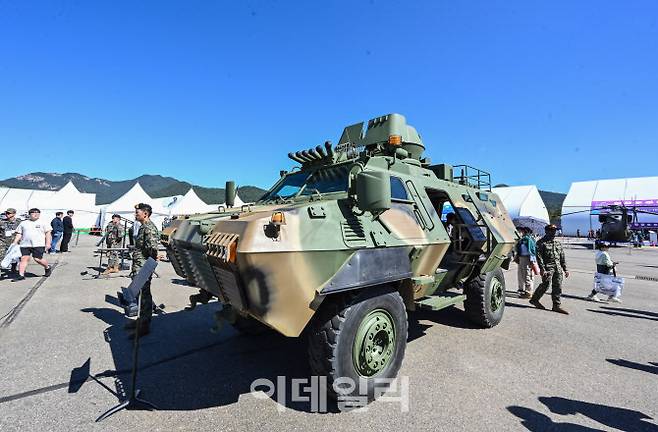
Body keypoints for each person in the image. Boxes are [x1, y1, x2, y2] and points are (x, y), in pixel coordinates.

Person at [125, 203, 160, 337]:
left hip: (143, 267)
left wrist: (147, 268)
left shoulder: (149, 228)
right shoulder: (143, 227)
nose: (135, 215)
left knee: (144, 295)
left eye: (137, 213)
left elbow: (152, 250)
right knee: (140, 294)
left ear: (145, 214)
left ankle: (144, 325)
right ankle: (141, 320)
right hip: (139, 265)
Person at [529, 224, 570, 314]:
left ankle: (556, 306)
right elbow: (539, 257)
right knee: (546, 284)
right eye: (552, 230)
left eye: (554, 231)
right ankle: (534, 300)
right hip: (548, 267)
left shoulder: (557, 243)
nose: (554, 232)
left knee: (558, 286)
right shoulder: (541, 243)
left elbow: (562, 257)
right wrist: (542, 269)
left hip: (558, 268)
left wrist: (565, 269)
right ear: (546, 231)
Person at [12, 208, 52, 280]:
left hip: (38, 244)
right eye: (33, 213)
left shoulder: (43, 222)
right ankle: (21, 275)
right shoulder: (23, 223)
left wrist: (48, 243)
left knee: (37, 259)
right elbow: (19, 233)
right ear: (29, 214)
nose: (36, 214)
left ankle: (47, 267)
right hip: (25, 244)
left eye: (38, 213)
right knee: (24, 259)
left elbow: (48, 233)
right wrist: (14, 242)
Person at [515, 227, 537, 299]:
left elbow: (531, 250)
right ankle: (528, 291)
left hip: (526, 258)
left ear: (524, 232)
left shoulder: (527, 239)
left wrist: (532, 260)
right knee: (525, 274)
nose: (520, 232)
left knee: (526, 275)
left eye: (521, 231)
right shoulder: (524, 239)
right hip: (523, 258)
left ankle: (528, 292)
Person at [0, 208, 22, 277]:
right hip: (3, 242)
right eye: (6, 213)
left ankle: (14, 267)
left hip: (16, 242)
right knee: (1, 256)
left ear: (14, 214)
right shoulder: (2, 222)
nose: (7, 214)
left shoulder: (20, 222)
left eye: (9, 213)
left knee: (16, 257)